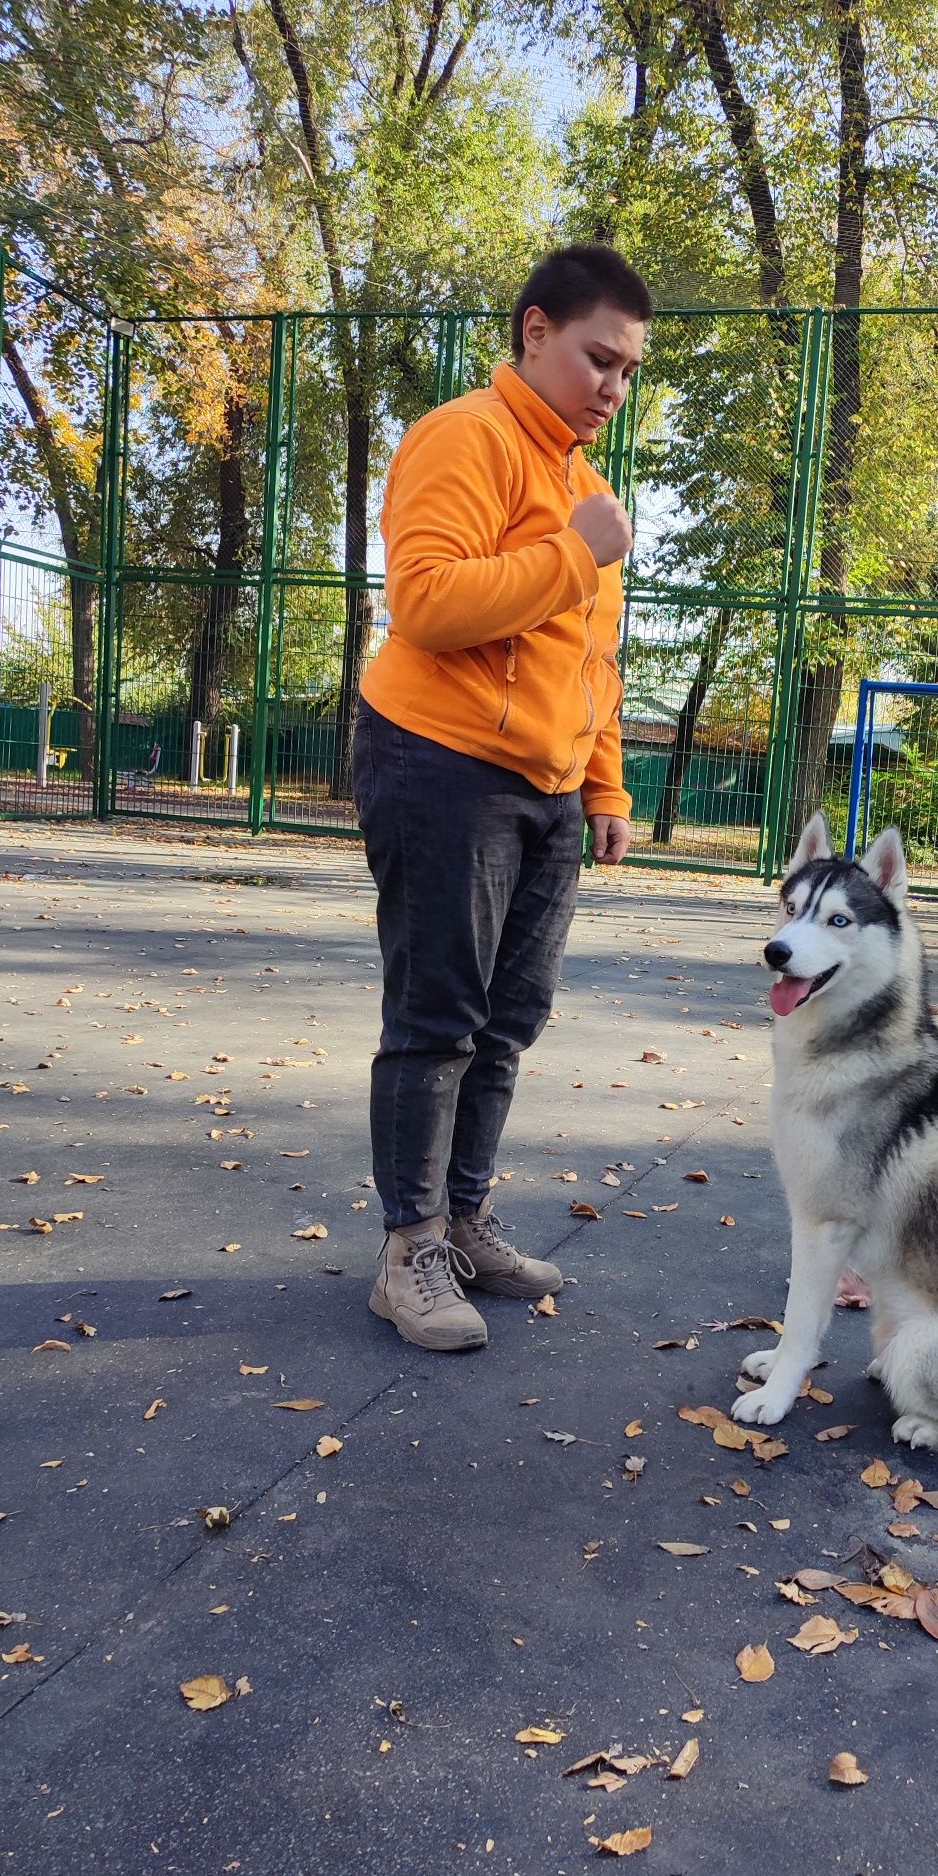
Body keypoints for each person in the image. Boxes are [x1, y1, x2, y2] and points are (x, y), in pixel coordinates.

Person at [353, 244, 651, 1352]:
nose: (612, 386)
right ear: (535, 331)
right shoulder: (463, 437)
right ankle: (410, 1248)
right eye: (597, 358)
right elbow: (426, 603)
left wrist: (606, 780)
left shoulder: (587, 488)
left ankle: (465, 1221)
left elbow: (594, 656)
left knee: (510, 1021)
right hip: (438, 759)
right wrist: (574, 555)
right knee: (436, 1018)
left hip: (547, 787)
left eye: (627, 370)